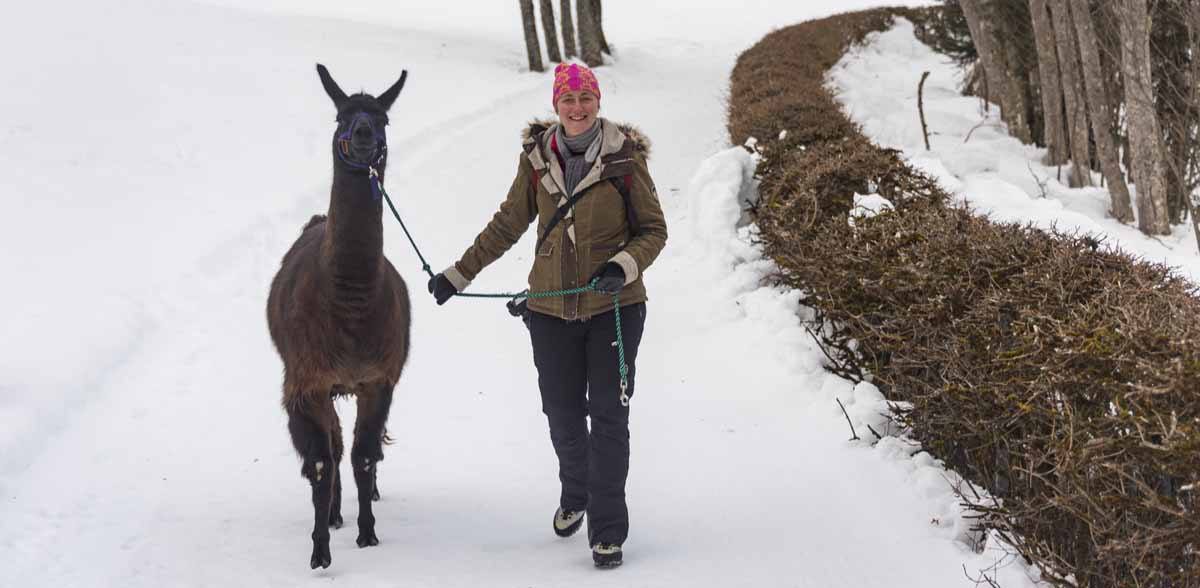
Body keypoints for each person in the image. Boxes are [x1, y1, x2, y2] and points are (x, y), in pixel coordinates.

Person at [427, 62, 667, 569]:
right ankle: (575, 492)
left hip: (615, 309)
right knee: (562, 417)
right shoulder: (537, 160)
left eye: (586, 99)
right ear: (556, 106)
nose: (577, 109)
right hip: (550, 311)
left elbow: (654, 231)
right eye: (568, 100)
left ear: (598, 102)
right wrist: (458, 274)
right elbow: (507, 224)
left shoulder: (624, 159)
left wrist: (622, 267)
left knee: (608, 418)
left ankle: (607, 530)